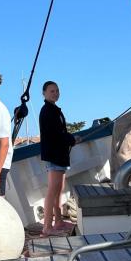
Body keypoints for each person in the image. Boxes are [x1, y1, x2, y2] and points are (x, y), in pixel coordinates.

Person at [39, 81, 78, 237]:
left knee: (59, 190)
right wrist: (72, 139)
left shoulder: (54, 109)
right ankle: (47, 226)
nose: (55, 93)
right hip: (54, 155)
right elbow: (56, 134)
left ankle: (59, 221)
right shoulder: (48, 111)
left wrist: (71, 139)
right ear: (44, 93)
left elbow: (59, 133)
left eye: (56, 91)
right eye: (51, 91)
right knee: (52, 190)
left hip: (59, 155)